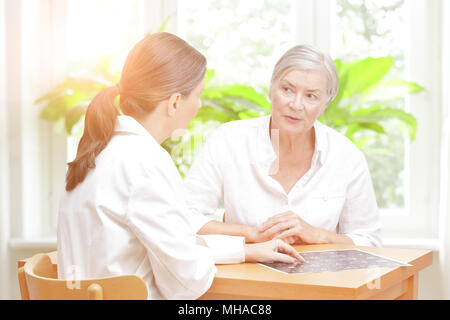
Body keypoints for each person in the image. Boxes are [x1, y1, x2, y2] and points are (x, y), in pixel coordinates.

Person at [57, 32, 303, 300]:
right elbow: (186, 282)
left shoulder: (98, 152)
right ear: (174, 102)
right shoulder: (145, 163)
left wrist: (243, 251)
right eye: (197, 95)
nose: (198, 105)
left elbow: (174, 247)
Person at [183, 44, 382, 247]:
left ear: (325, 104)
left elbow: (369, 240)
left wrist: (319, 235)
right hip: (245, 275)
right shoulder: (229, 140)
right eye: (287, 90)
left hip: (320, 278)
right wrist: (253, 234)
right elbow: (185, 218)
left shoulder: (346, 156)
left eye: (310, 96)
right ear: (271, 90)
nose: (296, 105)